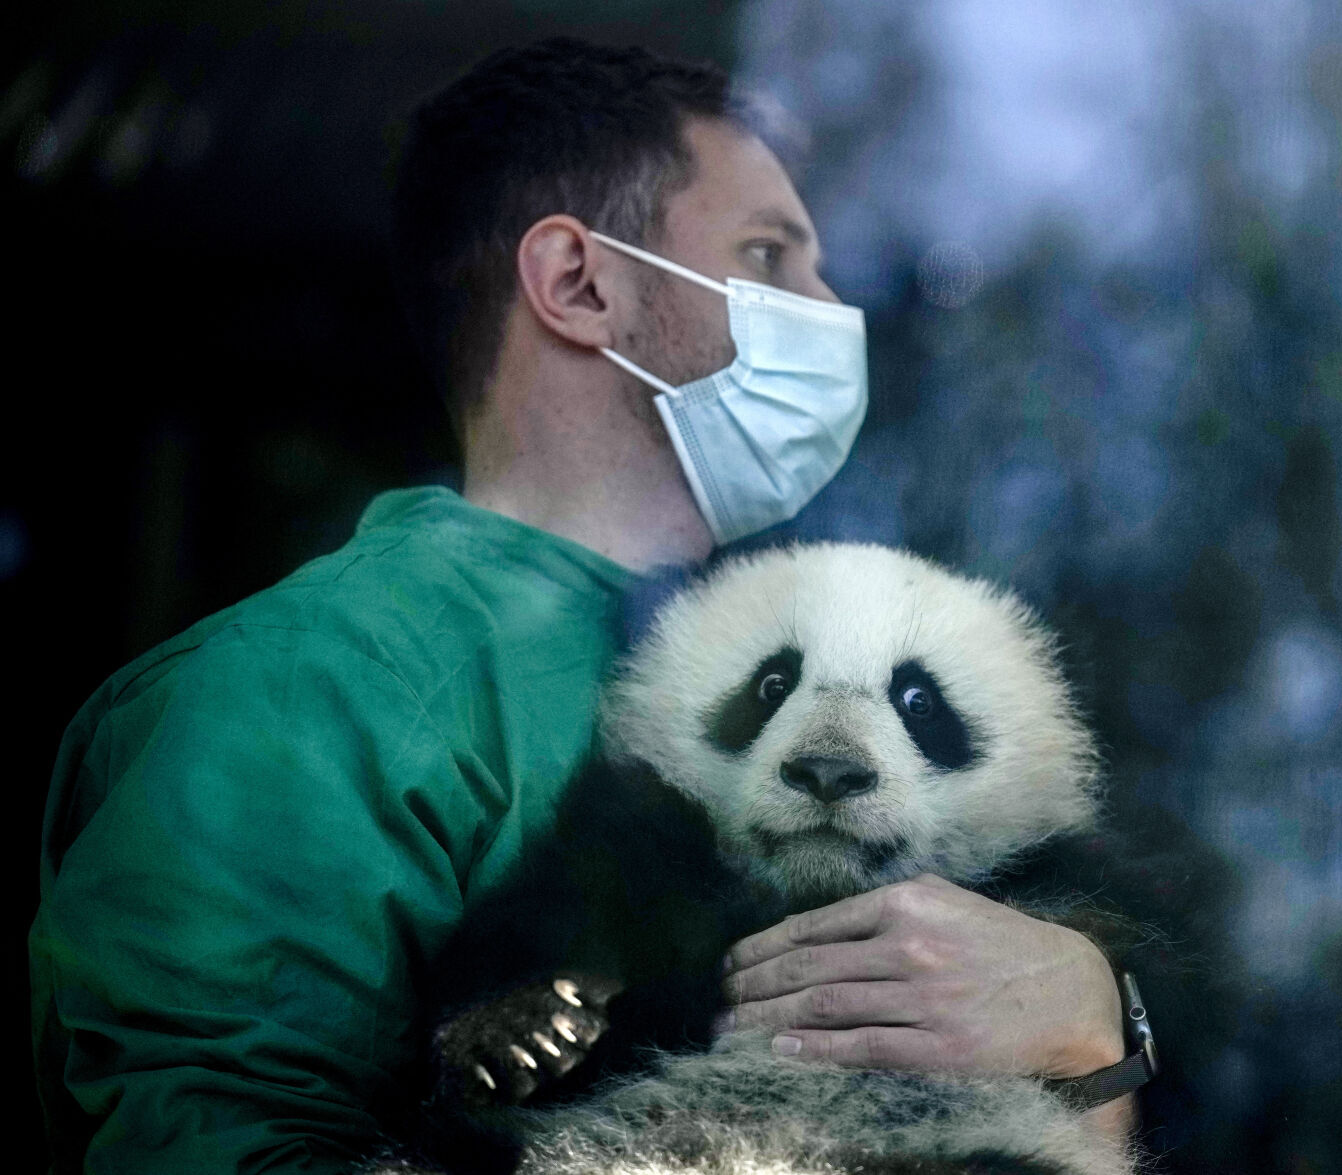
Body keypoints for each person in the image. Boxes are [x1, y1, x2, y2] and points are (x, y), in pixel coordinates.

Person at [29, 39, 1131, 1174]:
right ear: (577, 282)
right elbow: (215, 1142)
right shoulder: (288, 691)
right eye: (769, 255)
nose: (831, 308)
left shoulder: (783, 625)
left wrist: (1091, 1018)